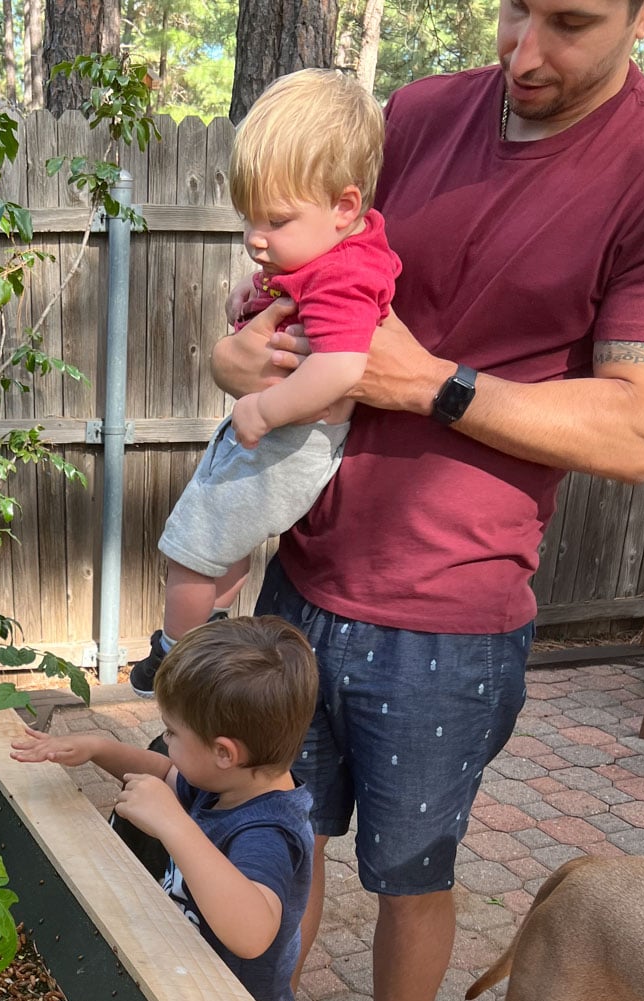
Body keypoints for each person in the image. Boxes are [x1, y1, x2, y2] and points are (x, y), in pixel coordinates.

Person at [211, 0, 644, 1001]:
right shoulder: (414, 116)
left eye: (567, 22)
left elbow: (641, 429)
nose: (521, 52)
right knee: (283, 830)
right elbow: (286, 287)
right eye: (513, 6)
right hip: (307, 574)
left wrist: (432, 384)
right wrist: (234, 352)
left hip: (453, 623)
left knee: (413, 874)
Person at [128, 69, 400, 697]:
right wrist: (251, 294)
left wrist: (268, 410)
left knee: (191, 551)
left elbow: (341, 367)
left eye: (274, 221)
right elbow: (293, 300)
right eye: (249, 217)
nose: (256, 237)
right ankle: (211, 627)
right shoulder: (331, 254)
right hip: (286, 438)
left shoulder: (341, 277)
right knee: (223, 549)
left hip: (288, 440)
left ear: (345, 206)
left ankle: (175, 658)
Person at [12, 617, 318, 1001]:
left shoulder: (267, 831)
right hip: (194, 997)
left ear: (224, 752)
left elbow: (252, 933)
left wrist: (174, 824)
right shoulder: (227, 781)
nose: (164, 741)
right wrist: (99, 748)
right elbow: (168, 772)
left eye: (172, 732)